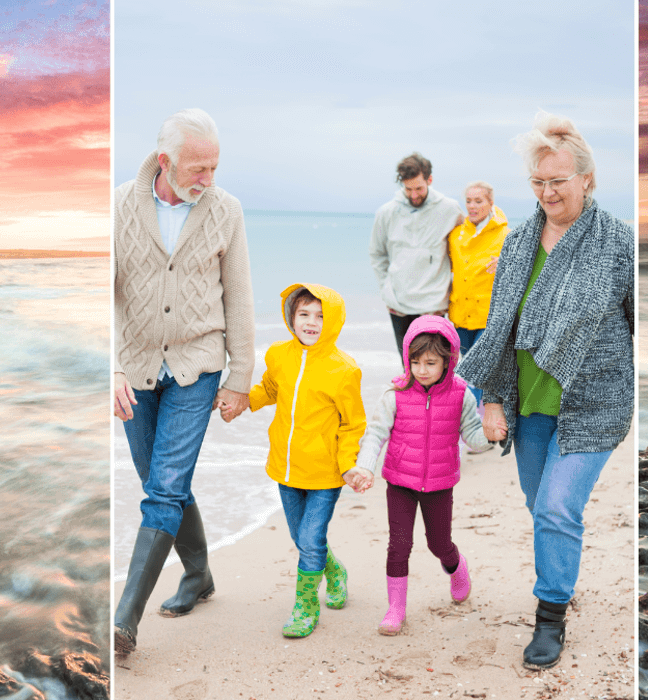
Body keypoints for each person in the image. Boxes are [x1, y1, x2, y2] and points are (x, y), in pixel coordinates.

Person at [459, 112, 633, 670]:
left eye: (558, 180)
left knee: (558, 506)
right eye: (538, 181)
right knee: (542, 506)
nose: (547, 191)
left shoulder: (618, 244)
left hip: (594, 402)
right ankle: (562, 573)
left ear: (586, 178)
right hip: (528, 401)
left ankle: (550, 616)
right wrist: (489, 397)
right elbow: (499, 327)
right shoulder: (519, 242)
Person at [111, 108, 255, 656]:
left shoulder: (226, 210)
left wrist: (240, 375)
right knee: (160, 482)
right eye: (198, 168)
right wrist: (112, 367)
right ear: (165, 161)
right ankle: (199, 573)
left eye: (214, 167)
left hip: (198, 364)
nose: (207, 179)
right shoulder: (121, 205)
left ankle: (124, 620)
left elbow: (238, 295)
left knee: (165, 487)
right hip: (136, 366)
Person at [349, 316, 487, 636]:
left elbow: (474, 439)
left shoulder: (462, 396)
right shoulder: (394, 393)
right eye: (415, 361)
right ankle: (396, 609)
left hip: (439, 484)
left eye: (430, 362)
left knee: (439, 544)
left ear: (447, 361)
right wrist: (365, 467)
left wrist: (492, 435)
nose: (421, 370)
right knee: (399, 546)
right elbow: (375, 435)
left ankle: (457, 567)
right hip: (400, 482)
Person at [245, 283, 365, 638]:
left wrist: (347, 464)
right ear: (291, 317)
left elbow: (353, 423)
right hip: (286, 467)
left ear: (334, 322)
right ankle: (336, 571)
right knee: (302, 537)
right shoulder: (279, 355)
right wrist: (240, 402)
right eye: (304, 314)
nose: (312, 322)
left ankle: (305, 607)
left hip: (326, 474)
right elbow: (269, 390)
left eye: (321, 316)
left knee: (310, 539)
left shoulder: (344, 370)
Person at [369, 153, 466, 357]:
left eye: (419, 188)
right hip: (398, 302)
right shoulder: (386, 212)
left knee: (433, 366)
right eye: (408, 189)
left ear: (429, 180)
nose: (414, 195)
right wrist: (386, 289)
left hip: (433, 303)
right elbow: (377, 254)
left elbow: (466, 247)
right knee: (408, 368)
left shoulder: (449, 209)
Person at [448, 181, 509, 406]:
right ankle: (475, 417)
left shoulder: (506, 236)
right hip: (460, 314)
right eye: (469, 201)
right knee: (466, 369)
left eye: (478, 201)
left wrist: (506, 263)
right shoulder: (456, 235)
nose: (472, 206)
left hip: (488, 317)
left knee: (478, 369)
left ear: (490, 203)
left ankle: (475, 419)